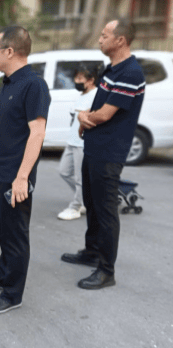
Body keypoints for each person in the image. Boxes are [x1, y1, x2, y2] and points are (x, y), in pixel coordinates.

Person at [61, 19, 145, 290]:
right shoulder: (112, 69)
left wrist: (86, 118)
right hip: (95, 146)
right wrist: (88, 122)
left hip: (109, 152)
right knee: (92, 202)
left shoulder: (131, 73)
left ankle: (106, 270)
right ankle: (92, 251)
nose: (100, 39)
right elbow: (101, 106)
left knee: (106, 210)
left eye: (104, 35)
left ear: (120, 40)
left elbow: (107, 114)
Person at [0, 26, 51, 314]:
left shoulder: (34, 85)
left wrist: (22, 177)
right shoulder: (8, 84)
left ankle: (12, 293)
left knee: (16, 234)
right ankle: (4, 275)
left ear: (9, 51)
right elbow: (2, 130)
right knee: (4, 231)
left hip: (15, 177)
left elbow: (37, 133)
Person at [57, 65, 99, 220]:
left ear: (90, 80)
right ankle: (86, 198)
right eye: (76, 78)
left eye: (80, 79)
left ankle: (76, 207)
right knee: (64, 171)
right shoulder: (81, 95)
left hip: (83, 143)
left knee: (81, 178)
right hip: (72, 140)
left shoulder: (96, 95)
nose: (76, 81)